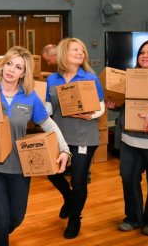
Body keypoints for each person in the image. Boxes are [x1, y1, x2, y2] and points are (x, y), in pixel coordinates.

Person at [0, 46, 71, 246]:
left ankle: (2, 232)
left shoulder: (29, 97)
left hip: (20, 167)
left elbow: (48, 124)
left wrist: (64, 149)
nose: (11, 69)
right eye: (9, 64)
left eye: (18, 67)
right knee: (0, 219)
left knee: (16, 218)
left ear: (24, 73)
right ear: (3, 65)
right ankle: (0, 234)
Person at [45, 37, 105, 239]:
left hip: (83, 137)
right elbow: (49, 106)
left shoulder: (90, 77)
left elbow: (101, 106)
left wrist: (91, 114)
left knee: (78, 180)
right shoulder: (52, 79)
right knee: (52, 172)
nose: (81, 53)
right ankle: (69, 199)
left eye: (82, 50)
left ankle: (75, 218)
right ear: (64, 53)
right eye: (75, 50)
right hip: (60, 136)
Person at [106, 39, 148, 236]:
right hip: (129, 140)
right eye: (142, 52)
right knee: (128, 179)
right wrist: (114, 104)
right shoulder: (130, 77)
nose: (144, 56)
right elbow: (123, 105)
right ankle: (134, 217)